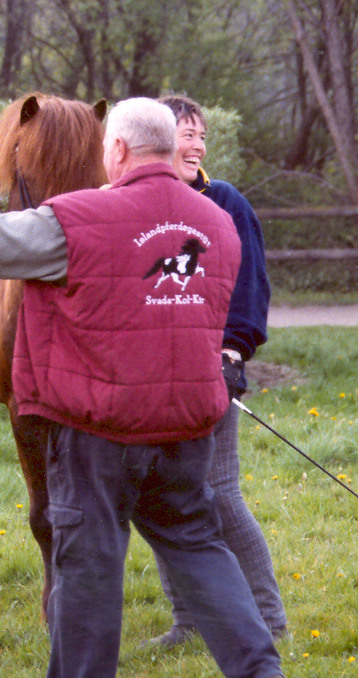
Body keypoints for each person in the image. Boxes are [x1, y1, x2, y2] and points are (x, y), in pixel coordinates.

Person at [0, 97, 292, 678]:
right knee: (195, 543)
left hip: (99, 427)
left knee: (89, 561)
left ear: (120, 150)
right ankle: (262, 673)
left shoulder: (79, 220)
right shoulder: (218, 222)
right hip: (187, 422)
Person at [141, 94, 287, 649]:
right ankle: (188, 620)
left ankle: (269, 618)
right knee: (159, 497)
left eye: (201, 135)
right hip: (152, 380)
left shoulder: (223, 200)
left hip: (211, 374)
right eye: (185, 132)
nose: (196, 144)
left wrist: (233, 352)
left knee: (219, 493)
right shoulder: (139, 207)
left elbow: (250, 289)